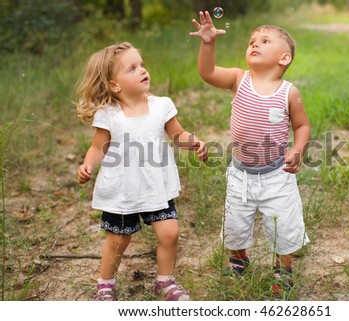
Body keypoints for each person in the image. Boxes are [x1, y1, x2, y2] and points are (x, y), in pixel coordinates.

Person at [75, 42, 208, 301]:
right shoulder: (109, 114)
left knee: (170, 233)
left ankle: (165, 282)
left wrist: (194, 142)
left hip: (155, 185)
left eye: (142, 65)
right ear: (114, 85)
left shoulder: (162, 106)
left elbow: (178, 135)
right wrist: (88, 164)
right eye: (132, 68)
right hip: (122, 188)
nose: (142, 71)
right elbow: (97, 146)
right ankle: (105, 285)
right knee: (118, 240)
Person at [190, 11, 310, 296]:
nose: (254, 44)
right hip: (241, 174)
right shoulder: (238, 79)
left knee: (284, 224)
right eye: (252, 40)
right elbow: (207, 73)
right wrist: (207, 43)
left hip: (276, 175)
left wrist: (298, 149)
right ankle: (238, 259)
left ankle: (283, 268)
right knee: (235, 223)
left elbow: (302, 125)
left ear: (284, 58)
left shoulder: (288, 92)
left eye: (265, 41)